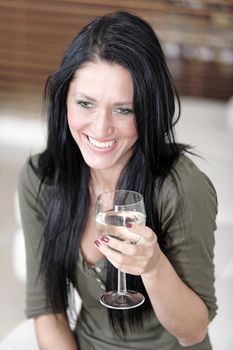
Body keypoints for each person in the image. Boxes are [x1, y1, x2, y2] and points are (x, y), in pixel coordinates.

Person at [18, 10, 218, 350]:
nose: (100, 128)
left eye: (123, 109)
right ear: (63, 100)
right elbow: (48, 312)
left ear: (148, 110)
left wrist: (153, 266)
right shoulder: (42, 178)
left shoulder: (181, 187)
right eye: (85, 104)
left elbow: (192, 331)